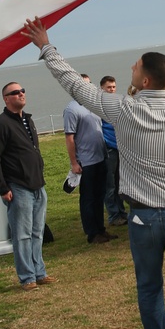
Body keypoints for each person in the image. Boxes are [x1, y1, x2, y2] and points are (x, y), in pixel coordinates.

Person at [23, 18, 165, 329]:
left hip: (144, 218)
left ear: (145, 80)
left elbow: (73, 85)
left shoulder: (124, 109)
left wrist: (46, 47)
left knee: (149, 287)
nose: (130, 68)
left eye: (135, 67)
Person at [0, 82, 52, 289]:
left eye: (22, 91)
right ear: (6, 99)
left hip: (37, 185)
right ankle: (27, 277)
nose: (21, 94)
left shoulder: (27, 120)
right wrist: (3, 187)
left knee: (37, 232)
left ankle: (39, 272)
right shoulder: (1, 125)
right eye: (15, 92)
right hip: (18, 187)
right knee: (22, 235)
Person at [64, 75, 111, 242]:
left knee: (100, 195)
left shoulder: (94, 105)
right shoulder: (72, 109)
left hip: (100, 157)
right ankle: (92, 233)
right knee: (89, 198)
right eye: (84, 84)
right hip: (86, 161)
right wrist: (74, 163)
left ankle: (100, 229)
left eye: (90, 84)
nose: (88, 87)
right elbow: (69, 138)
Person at [99, 76, 129, 226]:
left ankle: (122, 213)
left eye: (113, 87)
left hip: (120, 149)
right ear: (102, 88)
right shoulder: (99, 106)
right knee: (109, 185)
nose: (111, 90)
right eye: (108, 87)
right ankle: (113, 215)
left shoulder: (118, 103)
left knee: (119, 184)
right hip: (109, 150)